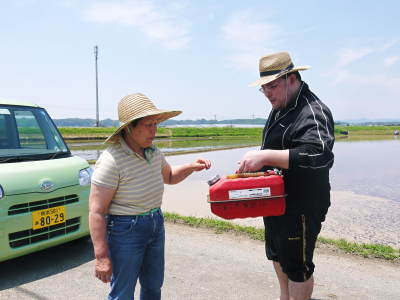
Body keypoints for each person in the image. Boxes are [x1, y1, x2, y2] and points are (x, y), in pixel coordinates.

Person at [89, 93, 211, 300]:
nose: (154, 131)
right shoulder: (111, 160)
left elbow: (170, 176)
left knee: (154, 286)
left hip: (155, 222)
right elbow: (97, 211)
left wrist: (191, 167)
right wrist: (101, 257)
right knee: (123, 292)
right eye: (148, 125)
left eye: (156, 124)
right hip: (125, 229)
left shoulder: (153, 152)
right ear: (129, 127)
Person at [237, 52, 334, 300]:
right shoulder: (280, 108)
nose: (268, 93)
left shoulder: (312, 110)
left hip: (301, 205)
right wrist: (254, 170)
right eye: (264, 88)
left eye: (273, 86)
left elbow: (319, 154)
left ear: (292, 79)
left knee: (297, 267)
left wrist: (266, 156)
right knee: (278, 255)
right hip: (276, 201)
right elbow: (273, 148)